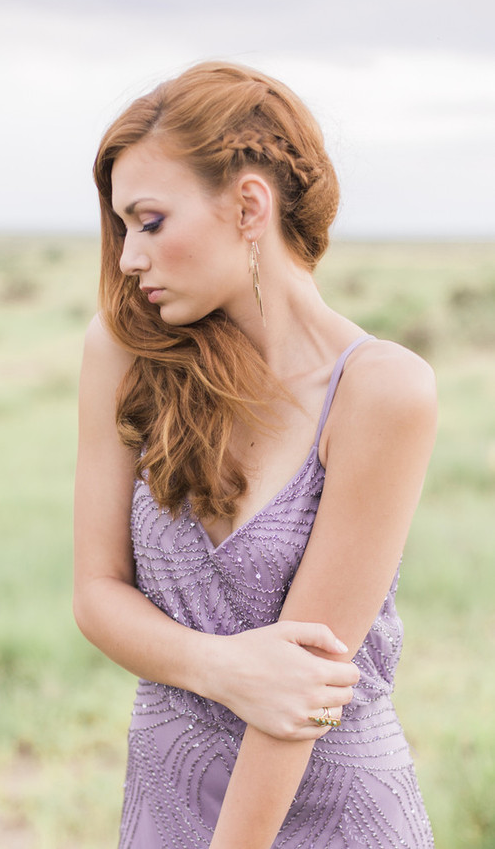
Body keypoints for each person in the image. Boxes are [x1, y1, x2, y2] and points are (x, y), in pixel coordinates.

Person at [73, 61, 436, 849]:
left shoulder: (382, 391)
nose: (129, 257)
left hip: (327, 805)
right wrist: (219, 666)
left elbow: (305, 690)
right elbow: (96, 593)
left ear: (248, 205)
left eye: (150, 220)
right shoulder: (126, 350)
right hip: (165, 795)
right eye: (122, 227)